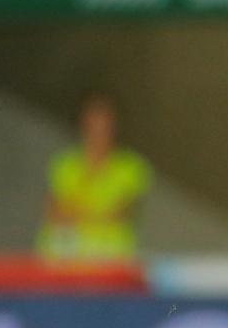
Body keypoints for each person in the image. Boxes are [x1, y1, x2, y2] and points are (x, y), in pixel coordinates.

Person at [36, 91, 151, 261]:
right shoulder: (65, 164)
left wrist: (77, 212)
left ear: (114, 126)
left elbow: (121, 213)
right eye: (92, 123)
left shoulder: (131, 167)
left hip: (108, 263)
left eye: (104, 123)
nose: (97, 131)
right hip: (62, 261)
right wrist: (99, 213)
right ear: (83, 124)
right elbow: (55, 212)